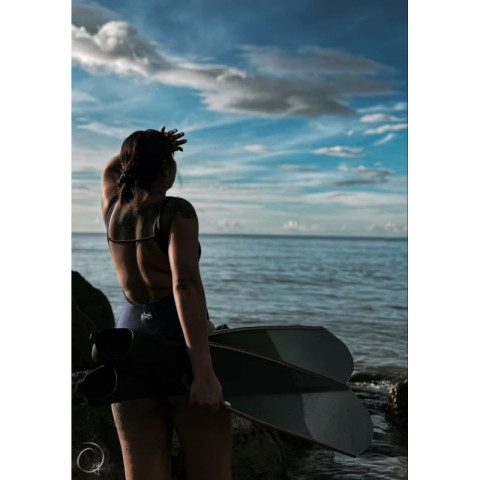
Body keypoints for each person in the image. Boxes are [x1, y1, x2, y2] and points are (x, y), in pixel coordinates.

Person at [101, 127, 232, 480]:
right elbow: (184, 285)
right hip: (178, 352)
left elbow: (111, 169)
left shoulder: (113, 209)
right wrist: (204, 375)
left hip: (128, 351)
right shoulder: (176, 211)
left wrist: (141, 152)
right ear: (165, 168)